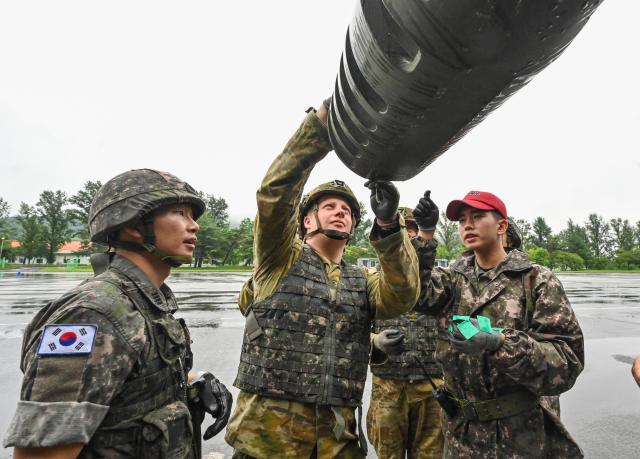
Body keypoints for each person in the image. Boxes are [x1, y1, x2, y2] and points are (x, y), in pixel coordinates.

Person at [225, 101, 420, 458]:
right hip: (267, 441)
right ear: (306, 221)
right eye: (329, 206)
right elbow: (274, 197)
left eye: (347, 210)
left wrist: (391, 228)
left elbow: (403, 295)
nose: (340, 212)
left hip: (337, 441)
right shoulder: (280, 259)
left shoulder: (363, 279)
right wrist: (316, 131)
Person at [3, 169, 232, 458]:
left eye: (192, 216)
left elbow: (129, 388)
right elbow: (42, 454)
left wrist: (194, 380)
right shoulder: (93, 314)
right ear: (134, 227)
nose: (194, 225)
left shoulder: (145, 300)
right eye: (179, 213)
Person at [411, 190, 585, 458]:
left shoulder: (536, 280)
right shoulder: (453, 279)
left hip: (520, 436)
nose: (468, 224)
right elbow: (413, 293)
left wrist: (500, 342)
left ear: (501, 226)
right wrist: (424, 234)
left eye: (478, 216)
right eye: (462, 220)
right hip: (461, 435)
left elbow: (567, 362)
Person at [367, 207, 444, 459]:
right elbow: (350, 333)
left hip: (432, 387)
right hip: (388, 388)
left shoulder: (440, 282)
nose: (408, 235)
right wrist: (375, 342)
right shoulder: (371, 283)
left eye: (412, 229)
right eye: (402, 230)